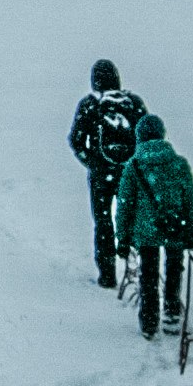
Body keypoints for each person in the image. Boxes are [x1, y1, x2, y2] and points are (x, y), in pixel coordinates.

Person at [116, 110, 193, 342]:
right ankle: (172, 314)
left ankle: (149, 322)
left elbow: (124, 205)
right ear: (163, 135)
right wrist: (191, 233)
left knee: (148, 275)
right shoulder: (179, 164)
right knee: (174, 270)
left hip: (146, 232)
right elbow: (190, 201)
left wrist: (122, 238)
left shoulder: (134, 166)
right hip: (175, 227)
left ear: (139, 137)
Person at [69, 61, 145, 290]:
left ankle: (107, 275)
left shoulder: (90, 104)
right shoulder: (133, 103)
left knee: (103, 223)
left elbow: (76, 140)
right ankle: (139, 271)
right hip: (128, 175)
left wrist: (92, 163)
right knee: (131, 220)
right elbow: (147, 136)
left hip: (101, 176)